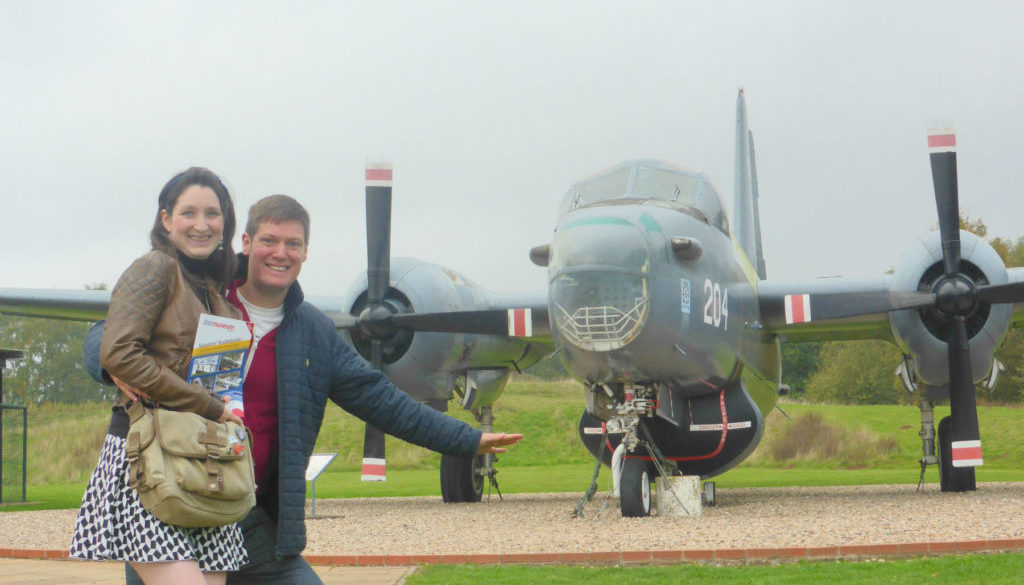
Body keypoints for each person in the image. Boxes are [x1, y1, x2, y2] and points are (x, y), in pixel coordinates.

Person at [85, 194, 522, 584]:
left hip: (253, 517)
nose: (281, 253)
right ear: (247, 243)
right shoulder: (199, 290)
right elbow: (106, 338)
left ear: (306, 252)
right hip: (173, 496)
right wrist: (112, 368)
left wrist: (467, 439)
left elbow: (383, 400)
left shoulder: (314, 333)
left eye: (292, 244)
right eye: (270, 241)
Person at [71, 167, 248, 585]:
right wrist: (208, 404)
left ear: (225, 222)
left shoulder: (218, 299)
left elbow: (217, 384)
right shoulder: (155, 268)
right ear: (166, 220)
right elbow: (118, 351)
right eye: (188, 213)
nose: (201, 225)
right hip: (148, 454)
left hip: (202, 461)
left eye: (213, 213)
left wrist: (224, 407)